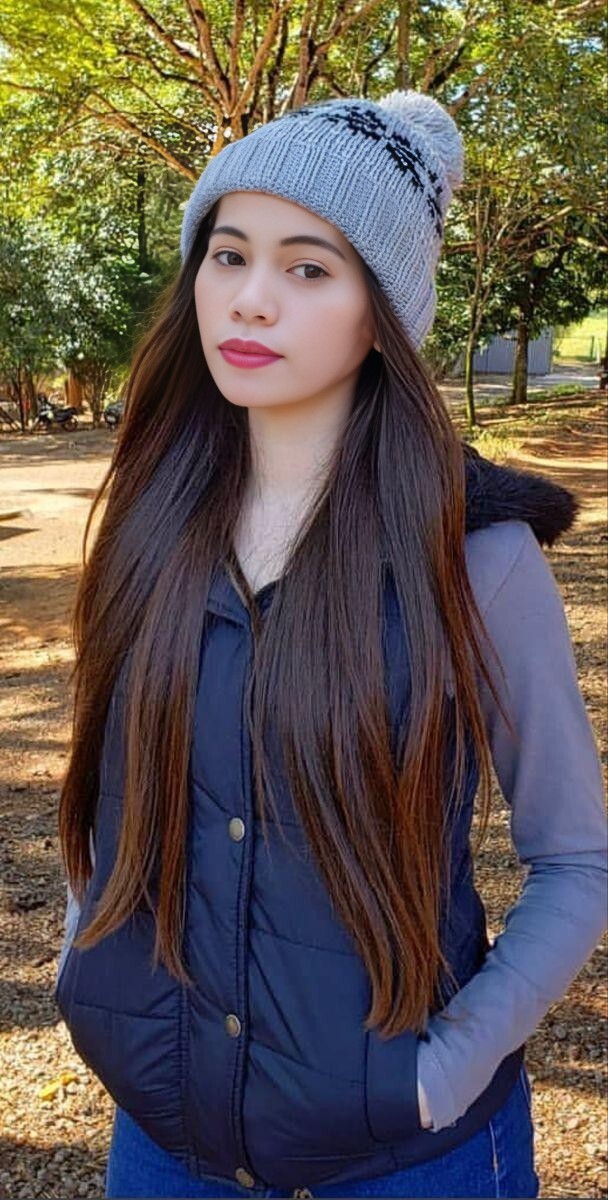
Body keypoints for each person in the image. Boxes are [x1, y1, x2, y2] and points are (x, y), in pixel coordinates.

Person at [54, 90, 607, 1199]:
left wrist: (442, 1071)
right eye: (228, 255)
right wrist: (87, 967)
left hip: (407, 1152)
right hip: (166, 1137)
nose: (250, 298)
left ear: (381, 313)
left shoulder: (476, 558)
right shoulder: (148, 526)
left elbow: (576, 860)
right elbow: (105, 796)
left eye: (308, 268)